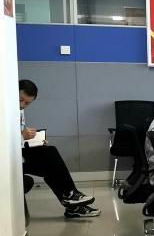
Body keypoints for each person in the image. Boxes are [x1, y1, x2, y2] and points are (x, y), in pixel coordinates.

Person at [18, 79, 100, 218]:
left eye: (27, 103)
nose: (23, 105)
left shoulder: (18, 111)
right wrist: (22, 136)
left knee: (50, 154)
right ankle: (71, 200)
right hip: (8, 161)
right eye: (21, 100)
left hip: (19, 153)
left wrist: (32, 139)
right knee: (50, 161)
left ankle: (71, 200)